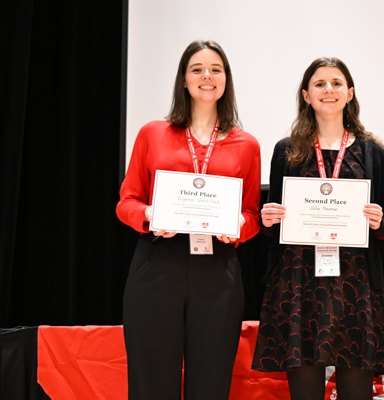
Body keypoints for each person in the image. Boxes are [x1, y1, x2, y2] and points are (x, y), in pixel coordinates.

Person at [116, 40, 260, 399]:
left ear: (226, 80)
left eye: (216, 69)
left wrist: (239, 228)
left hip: (218, 268)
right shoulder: (153, 133)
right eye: (197, 69)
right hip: (157, 263)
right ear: (183, 79)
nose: (206, 76)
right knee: (151, 380)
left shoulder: (247, 144)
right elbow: (126, 202)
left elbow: (252, 214)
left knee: (210, 382)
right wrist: (149, 214)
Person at [252, 57, 384, 400]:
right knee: (304, 391)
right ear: (306, 95)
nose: (328, 90)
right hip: (299, 279)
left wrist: (379, 222)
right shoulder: (287, 151)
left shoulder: (371, 151)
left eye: (336, 83)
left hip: (355, 281)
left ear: (350, 93)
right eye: (319, 84)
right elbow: (272, 225)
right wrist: (269, 218)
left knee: (357, 391)